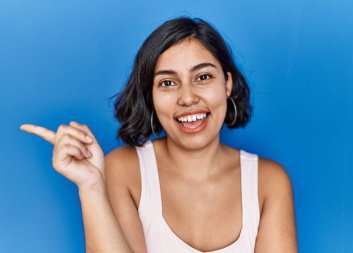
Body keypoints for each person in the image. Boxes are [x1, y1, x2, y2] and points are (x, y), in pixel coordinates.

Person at [20, 17, 298, 253]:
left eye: (203, 77)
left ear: (226, 83)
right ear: (150, 96)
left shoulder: (269, 183)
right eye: (167, 82)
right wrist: (91, 187)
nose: (188, 97)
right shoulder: (125, 170)